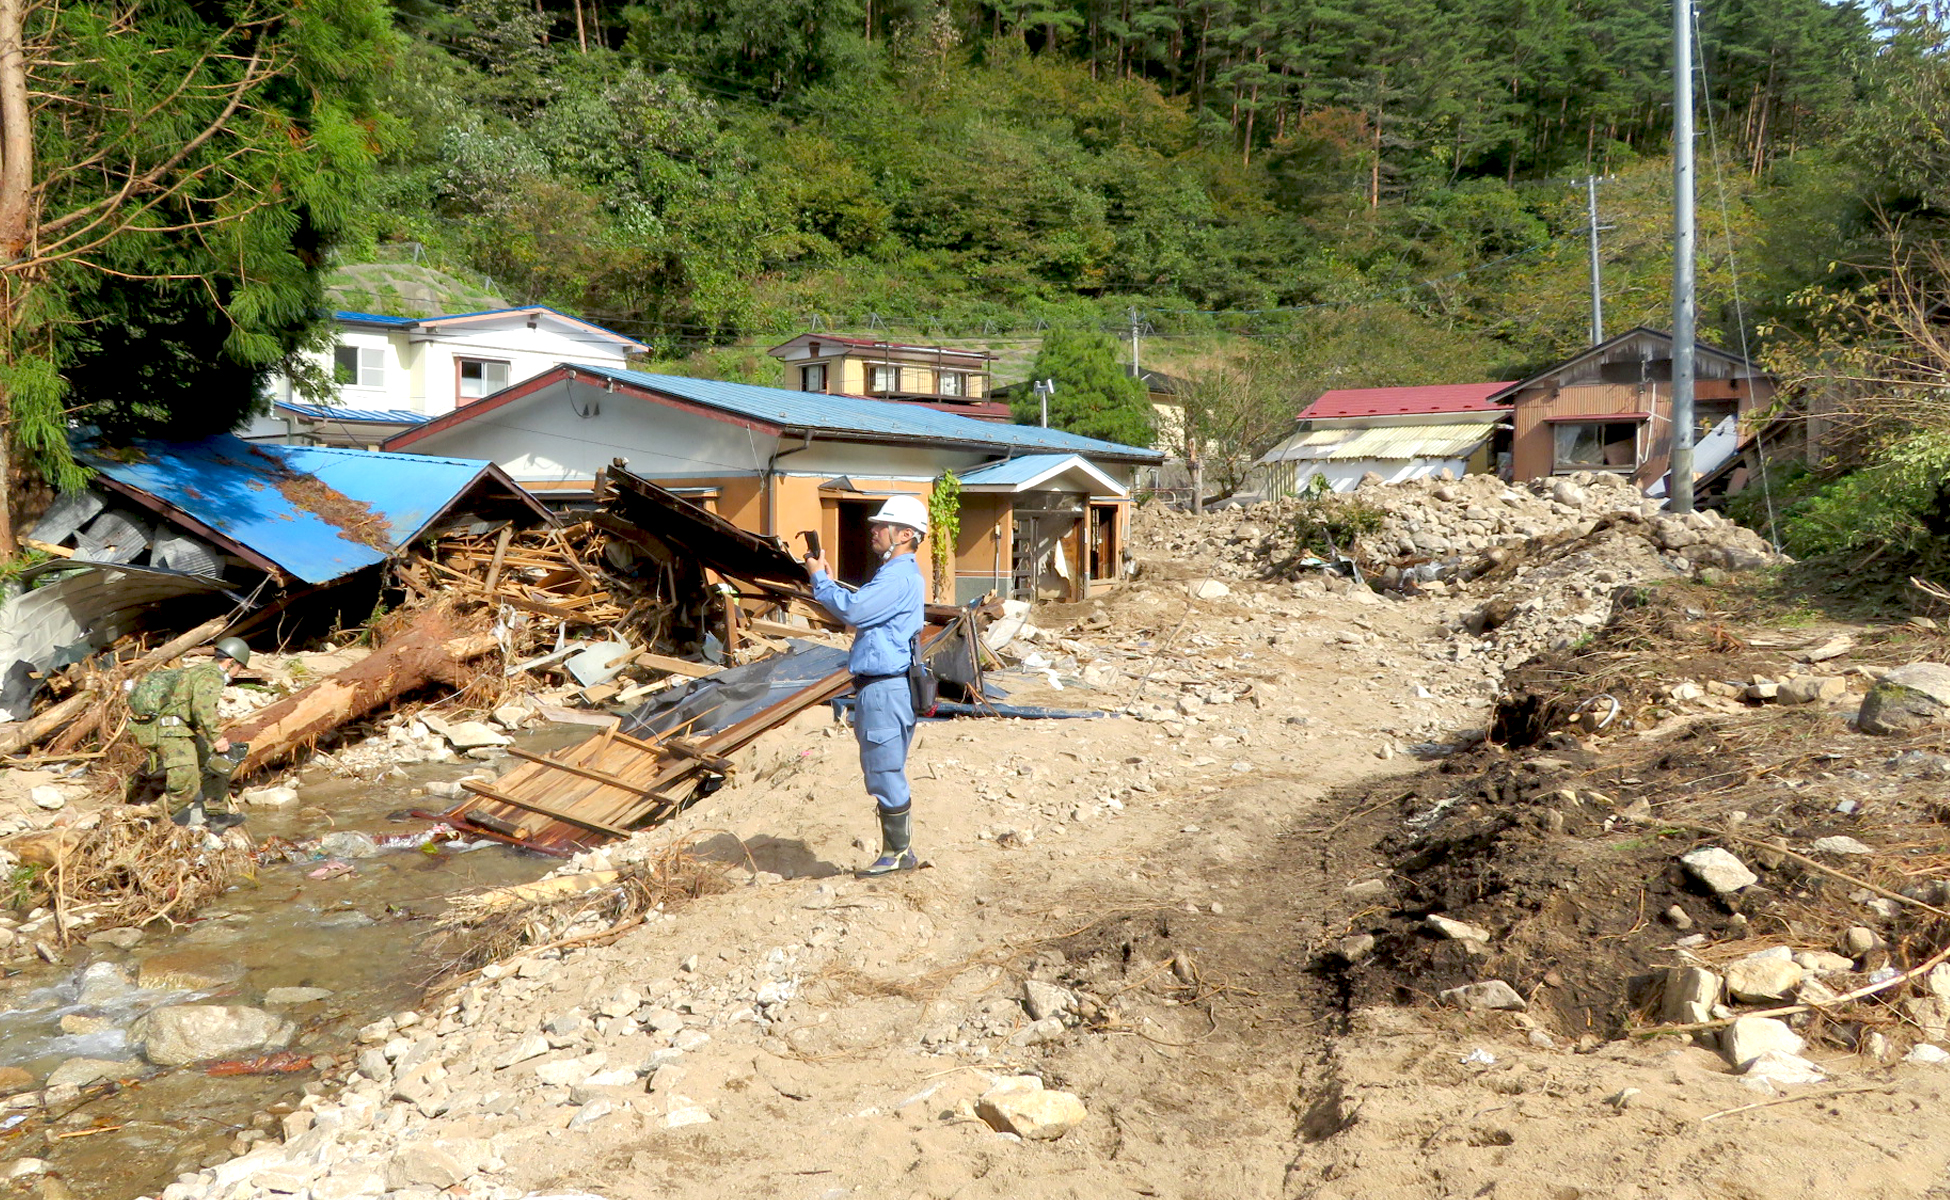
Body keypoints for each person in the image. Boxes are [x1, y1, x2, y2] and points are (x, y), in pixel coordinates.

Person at [806, 495, 928, 875]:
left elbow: (854, 610)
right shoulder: (897, 574)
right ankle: (898, 853)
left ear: (905, 534)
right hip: (886, 687)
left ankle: (898, 855)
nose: (874, 530)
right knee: (883, 768)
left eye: (882, 525)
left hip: (884, 688)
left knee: (884, 770)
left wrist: (819, 580)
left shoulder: (898, 576)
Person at [131, 637, 251, 829]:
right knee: (187, 785)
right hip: (172, 732)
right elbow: (202, 707)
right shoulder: (212, 676)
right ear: (230, 662)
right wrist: (216, 737)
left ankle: (218, 815)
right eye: (240, 668)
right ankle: (148, 818)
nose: (238, 673)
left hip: (184, 729)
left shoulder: (200, 671)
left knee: (215, 764)